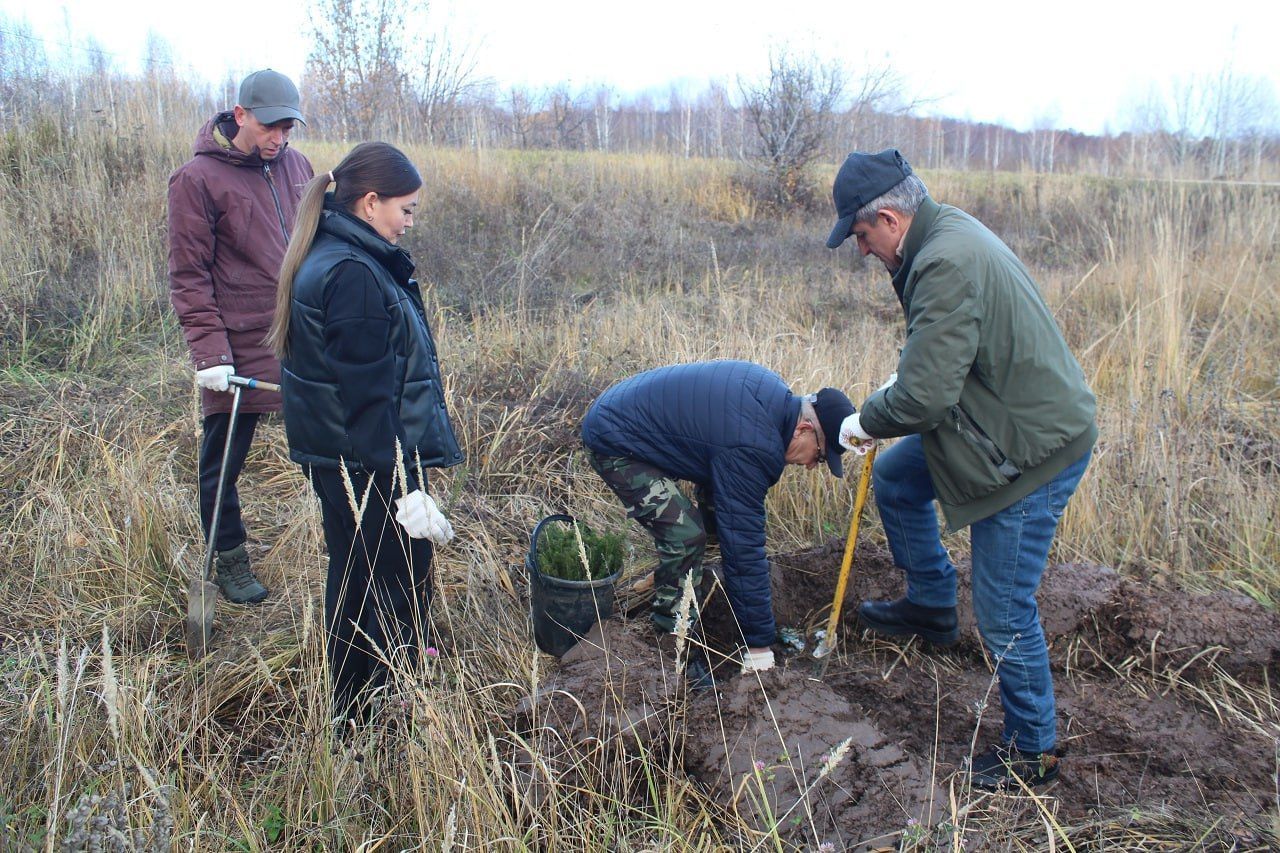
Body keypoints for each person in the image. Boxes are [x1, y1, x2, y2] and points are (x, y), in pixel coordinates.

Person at [826, 149, 1097, 790]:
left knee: (1003, 609)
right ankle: (930, 607)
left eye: (861, 235)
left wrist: (868, 419)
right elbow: (939, 361)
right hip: (993, 422)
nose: (861, 250)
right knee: (897, 479)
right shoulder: (942, 235)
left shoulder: (943, 260)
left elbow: (924, 400)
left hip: (1027, 451)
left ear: (889, 220)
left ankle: (1032, 750)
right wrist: (909, 376)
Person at [266, 142, 464, 726]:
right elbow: (368, 398)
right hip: (366, 461)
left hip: (342, 456)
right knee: (388, 580)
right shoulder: (352, 273)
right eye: (406, 209)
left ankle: (358, 705)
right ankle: (380, 710)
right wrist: (404, 489)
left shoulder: (331, 253)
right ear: (371, 202)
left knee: (354, 572)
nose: (410, 222)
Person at [581, 360, 856, 684]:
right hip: (615, 440)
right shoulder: (753, 444)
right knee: (685, 536)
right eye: (820, 456)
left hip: (627, 415)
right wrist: (759, 646)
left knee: (717, 516)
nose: (811, 465)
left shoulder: (772, 397)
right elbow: (744, 548)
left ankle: (694, 582)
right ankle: (674, 648)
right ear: (804, 430)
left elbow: (718, 459)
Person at [168, 69, 313, 604]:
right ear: (240, 114)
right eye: (270, 126)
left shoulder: (299, 166)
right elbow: (189, 274)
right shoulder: (197, 179)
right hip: (239, 343)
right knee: (222, 462)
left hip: (302, 331)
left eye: (288, 127)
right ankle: (229, 559)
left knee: (330, 439)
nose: (279, 138)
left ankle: (346, 536)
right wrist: (210, 353)